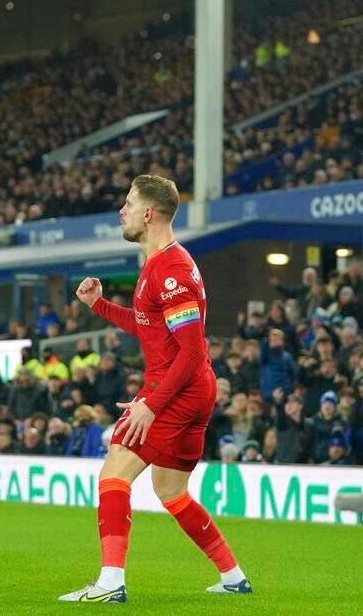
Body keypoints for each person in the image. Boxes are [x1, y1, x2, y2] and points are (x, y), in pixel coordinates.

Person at [60, 175, 251, 604]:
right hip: (189, 389)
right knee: (171, 491)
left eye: (128, 204)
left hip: (175, 391)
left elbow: (191, 350)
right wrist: (99, 306)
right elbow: (149, 327)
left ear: (148, 214)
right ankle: (233, 576)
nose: (122, 211)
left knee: (114, 474)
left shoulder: (171, 271)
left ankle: (110, 582)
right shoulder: (160, 264)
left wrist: (152, 403)